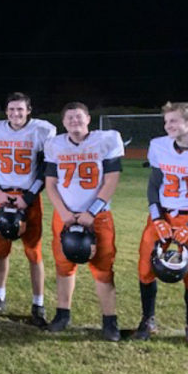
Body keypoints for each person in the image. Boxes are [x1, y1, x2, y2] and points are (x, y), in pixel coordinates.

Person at [133, 102, 188, 353]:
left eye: (174, 121)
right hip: (162, 216)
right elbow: (154, 184)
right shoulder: (159, 145)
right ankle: (148, 321)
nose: (168, 126)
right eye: (166, 121)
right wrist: (157, 218)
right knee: (145, 268)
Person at [43, 102, 123, 341]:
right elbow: (50, 184)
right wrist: (64, 213)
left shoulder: (106, 140)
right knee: (64, 266)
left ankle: (110, 321)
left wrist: (92, 211)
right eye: (69, 118)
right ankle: (62, 314)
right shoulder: (54, 144)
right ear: (63, 122)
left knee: (103, 269)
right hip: (65, 216)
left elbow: (111, 179)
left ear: (88, 118)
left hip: (98, 216)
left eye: (78, 116)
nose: (74, 121)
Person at [0, 92, 56, 326]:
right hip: (2, 197)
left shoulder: (42, 130)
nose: (16, 113)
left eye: (20, 109)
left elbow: (45, 168)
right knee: (1, 251)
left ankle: (38, 304)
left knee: (34, 252)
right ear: (6, 111)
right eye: (12, 109)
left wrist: (30, 196)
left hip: (28, 198)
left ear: (29, 111)